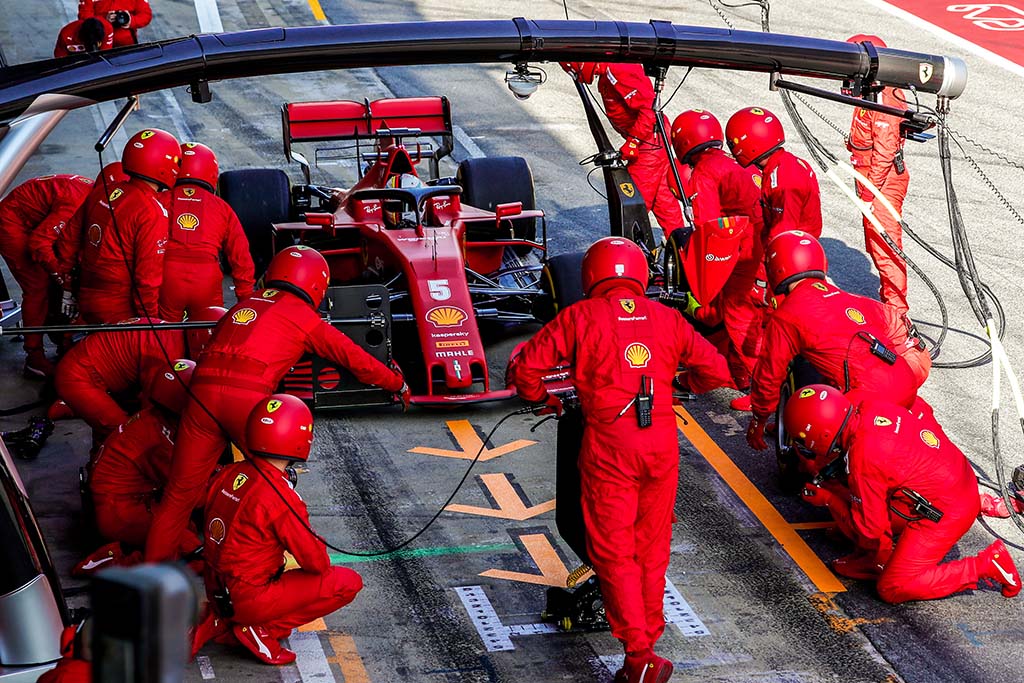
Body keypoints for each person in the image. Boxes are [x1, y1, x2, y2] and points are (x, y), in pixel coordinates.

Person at [509, 237, 732, 683]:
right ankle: (649, 635)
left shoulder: (578, 317)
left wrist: (545, 400)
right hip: (661, 445)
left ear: (590, 276)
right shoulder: (667, 318)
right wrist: (675, 383)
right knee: (651, 550)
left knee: (613, 553)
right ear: (639, 275)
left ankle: (639, 652)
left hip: (610, 448)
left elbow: (525, 371)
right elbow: (718, 371)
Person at [145, 246, 409, 562]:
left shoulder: (241, 306)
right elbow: (355, 359)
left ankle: (150, 582)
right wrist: (397, 383)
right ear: (315, 285)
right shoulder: (303, 317)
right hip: (246, 399)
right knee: (274, 486)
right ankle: (280, 566)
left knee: (177, 498)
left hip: (200, 396)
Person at [783, 384, 1021, 603]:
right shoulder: (870, 407)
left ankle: (985, 565)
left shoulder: (864, 457)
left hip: (949, 509)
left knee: (892, 587)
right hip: (955, 479)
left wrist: (829, 500)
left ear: (821, 434)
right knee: (857, 506)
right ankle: (872, 561)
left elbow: (872, 531)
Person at [192, 394, 363, 664]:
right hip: (248, 597)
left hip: (216, 589)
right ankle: (259, 629)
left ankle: (232, 621)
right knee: (347, 583)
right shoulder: (281, 497)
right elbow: (317, 563)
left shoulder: (228, 473)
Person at [746, 231, 927, 450]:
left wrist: (759, 419)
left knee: (814, 459)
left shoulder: (787, 315)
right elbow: (902, 329)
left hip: (869, 398)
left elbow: (769, 374)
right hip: (906, 380)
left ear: (777, 269)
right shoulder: (851, 298)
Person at [671, 109, 767, 409]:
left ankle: (760, 390)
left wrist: (699, 291)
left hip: (744, 251)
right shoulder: (726, 162)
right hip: (758, 242)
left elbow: (706, 228)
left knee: (739, 316)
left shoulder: (703, 173)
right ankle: (740, 374)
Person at [74, 360, 198, 576]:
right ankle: (116, 559)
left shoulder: (153, 419)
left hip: (124, 503)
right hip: (118, 512)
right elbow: (189, 491)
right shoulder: (160, 440)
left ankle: (130, 549)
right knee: (193, 552)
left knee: (189, 528)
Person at [56, 128, 180, 324]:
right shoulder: (152, 211)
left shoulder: (103, 191)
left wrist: (68, 288)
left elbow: (67, 242)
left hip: (86, 295)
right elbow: (146, 279)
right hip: (120, 308)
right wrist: (151, 322)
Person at [53, 307, 224, 444]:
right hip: (79, 377)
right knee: (128, 437)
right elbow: (152, 411)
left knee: (112, 430)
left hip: (87, 367)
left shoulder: (172, 334)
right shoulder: (167, 354)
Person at [560, 62, 683, 233]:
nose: (575, 75)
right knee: (664, 203)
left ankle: (629, 251)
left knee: (632, 206)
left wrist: (633, 142)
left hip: (649, 144)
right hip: (655, 141)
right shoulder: (607, 74)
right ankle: (682, 249)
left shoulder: (619, 69)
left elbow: (649, 108)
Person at [0, 174, 95, 376]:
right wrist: (63, 279)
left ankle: (64, 341)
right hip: (12, 221)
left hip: (35, 217)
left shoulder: (97, 198)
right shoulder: (78, 202)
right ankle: (34, 358)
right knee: (37, 287)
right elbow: (39, 243)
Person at [845, 35, 912, 316]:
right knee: (874, 244)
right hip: (869, 176)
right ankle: (888, 299)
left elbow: (884, 151)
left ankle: (896, 312)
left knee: (885, 246)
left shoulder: (885, 96)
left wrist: (869, 193)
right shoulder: (871, 90)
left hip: (881, 181)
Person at [159, 142, 255, 321]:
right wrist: (245, 300)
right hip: (206, 277)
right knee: (208, 334)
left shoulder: (159, 200)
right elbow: (241, 257)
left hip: (168, 275)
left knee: (166, 336)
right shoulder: (222, 207)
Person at [725, 107, 822, 241]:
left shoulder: (783, 180)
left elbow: (783, 235)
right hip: (797, 245)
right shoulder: (783, 164)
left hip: (791, 252)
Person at [77, 0, 152, 47]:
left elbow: (146, 15)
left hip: (127, 44)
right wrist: (104, 20)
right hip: (99, 42)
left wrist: (131, 20)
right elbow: (84, 16)